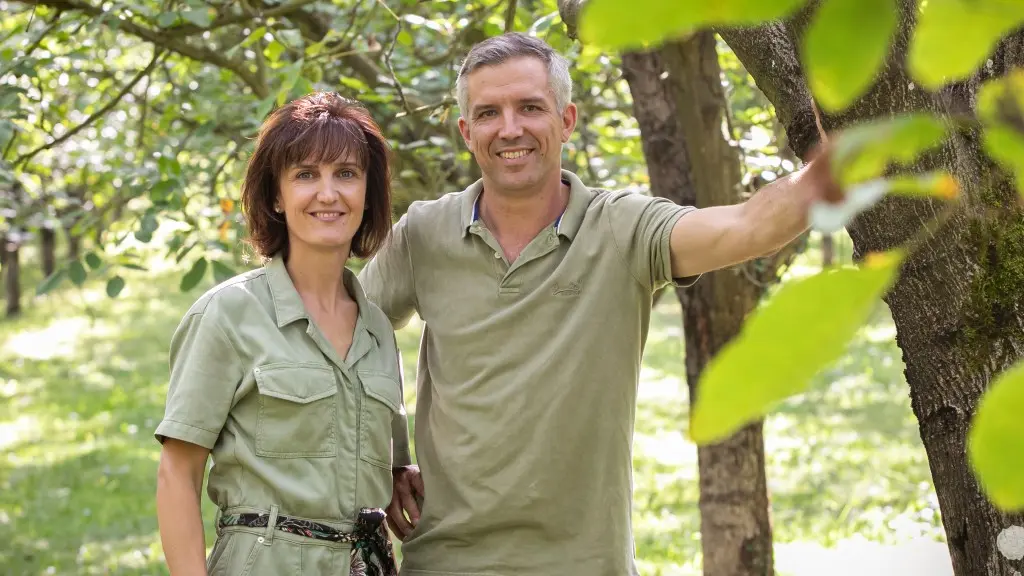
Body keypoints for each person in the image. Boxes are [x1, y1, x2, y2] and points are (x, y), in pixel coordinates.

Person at [360, 33, 841, 576]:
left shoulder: (621, 227)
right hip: (444, 561)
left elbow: (749, 226)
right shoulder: (423, 234)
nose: (510, 128)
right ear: (467, 132)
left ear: (566, 120)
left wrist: (848, 150)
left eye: (530, 108)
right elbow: (350, 336)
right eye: (489, 113)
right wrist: (392, 451)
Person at [154, 92, 411, 576]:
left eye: (347, 174)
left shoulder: (378, 329)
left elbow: (386, 468)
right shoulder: (228, 314)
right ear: (276, 195)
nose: (329, 193)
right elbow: (177, 473)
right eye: (306, 175)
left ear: (367, 192)